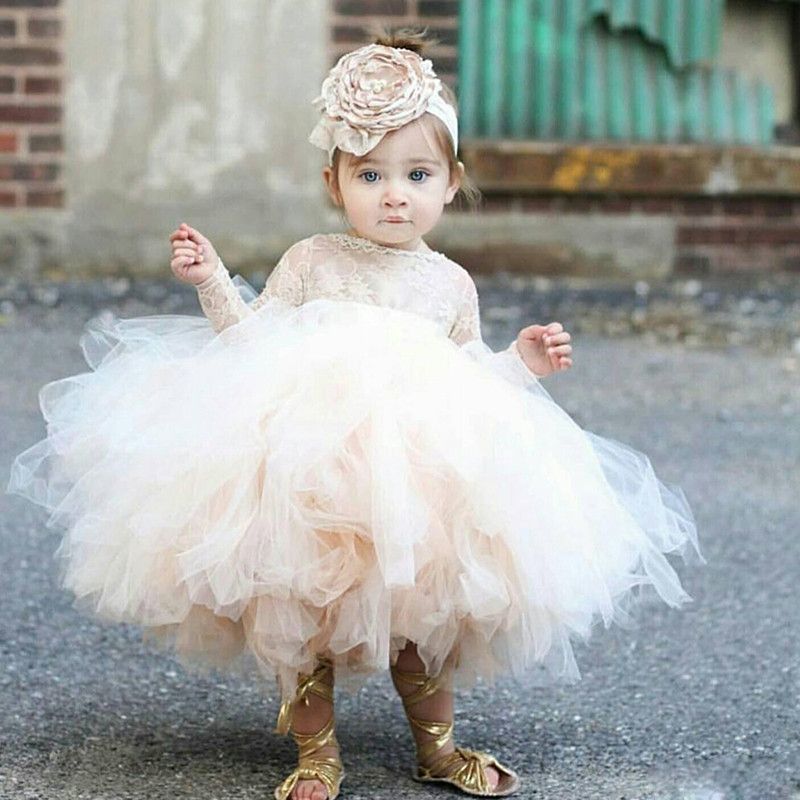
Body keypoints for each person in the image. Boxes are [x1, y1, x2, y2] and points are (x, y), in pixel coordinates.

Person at [7, 30, 702, 800]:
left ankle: (436, 747)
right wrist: (211, 283)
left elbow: (473, 384)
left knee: (423, 616)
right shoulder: (312, 259)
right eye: (370, 173)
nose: (394, 192)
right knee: (300, 606)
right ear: (335, 182)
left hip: (419, 480)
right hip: (309, 475)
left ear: (450, 183)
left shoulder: (449, 284)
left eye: (417, 173)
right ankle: (316, 751)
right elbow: (250, 343)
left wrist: (523, 364)